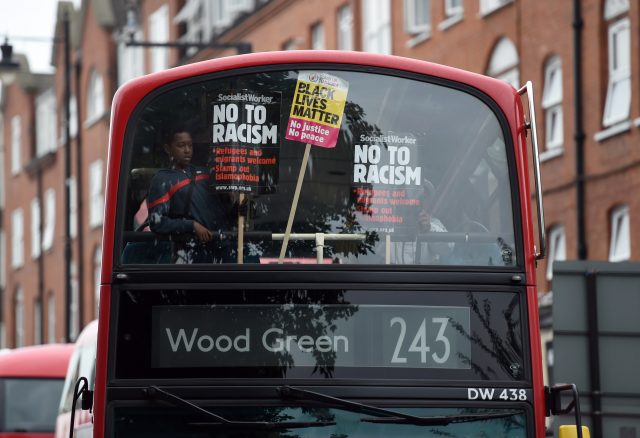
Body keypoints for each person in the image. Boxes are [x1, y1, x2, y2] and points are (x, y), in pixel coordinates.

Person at [147, 127, 228, 263]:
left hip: (221, 250)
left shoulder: (206, 174)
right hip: (189, 255)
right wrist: (192, 225)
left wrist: (237, 209)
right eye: (181, 145)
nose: (187, 150)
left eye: (190, 145)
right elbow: (157, 222)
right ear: (168, 149)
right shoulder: (162, 179)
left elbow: (223, 211)